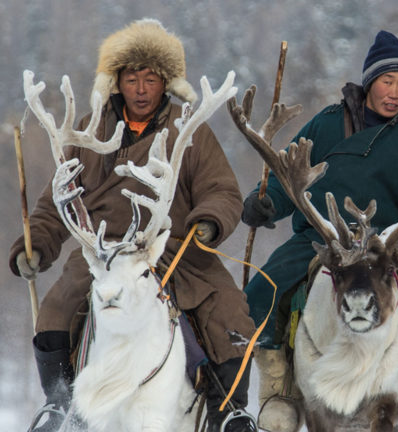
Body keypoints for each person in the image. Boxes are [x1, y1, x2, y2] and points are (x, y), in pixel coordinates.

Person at [10, 19, 257, 432]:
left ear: (167, 83)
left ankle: (229, 411)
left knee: (230, 312)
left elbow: (222, 192)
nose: (141, 89)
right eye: (131, 77)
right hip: (101, 253)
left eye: (151, 78)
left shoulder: (189, 130)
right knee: (55, 310)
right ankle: (59, 405)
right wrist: (33, 246)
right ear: (117, 81)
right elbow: (58, 201)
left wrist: (209, 223)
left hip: (174, 251)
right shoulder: (89, 130)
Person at [241, 30, 398, 431]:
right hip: (328, 240)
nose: (395, 92)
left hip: (390, 244)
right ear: (369, 82)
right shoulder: (327, 124)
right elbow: (288, 173)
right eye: (387, 81)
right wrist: (268, 203)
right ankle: (280, 390)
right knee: (262, 291)